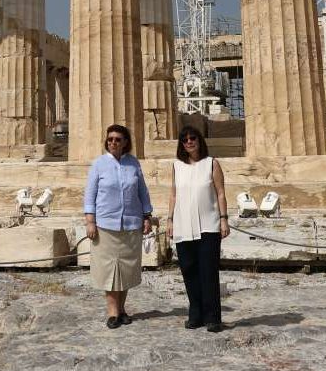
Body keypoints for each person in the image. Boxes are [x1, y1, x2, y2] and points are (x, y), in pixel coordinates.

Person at [83, 123, 153, 329]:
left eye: (117, 139)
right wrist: (90, 221)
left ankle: (122, 310)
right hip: (106, 225)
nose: (113, 142)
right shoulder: (98, 164)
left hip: (131, 223)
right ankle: (112, 311)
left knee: (126, 269)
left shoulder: (133, 163)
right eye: (110, 139)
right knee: (109, 269)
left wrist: (147, 216)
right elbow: (90, 194)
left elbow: (142, 191)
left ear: (125, 142)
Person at [167, 125, 229, 332]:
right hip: (183, 225)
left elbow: (220, 192)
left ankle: (213, 317)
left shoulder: (211, 163)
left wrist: (224, 219)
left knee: (208, 271)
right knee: (189, 270)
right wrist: (170, 220)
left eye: (192, 138)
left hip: (208, 224)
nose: (189, 142)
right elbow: (173, 194)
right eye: (184, 140)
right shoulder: (176, 166)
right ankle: (195, 314)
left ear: (199, 140)